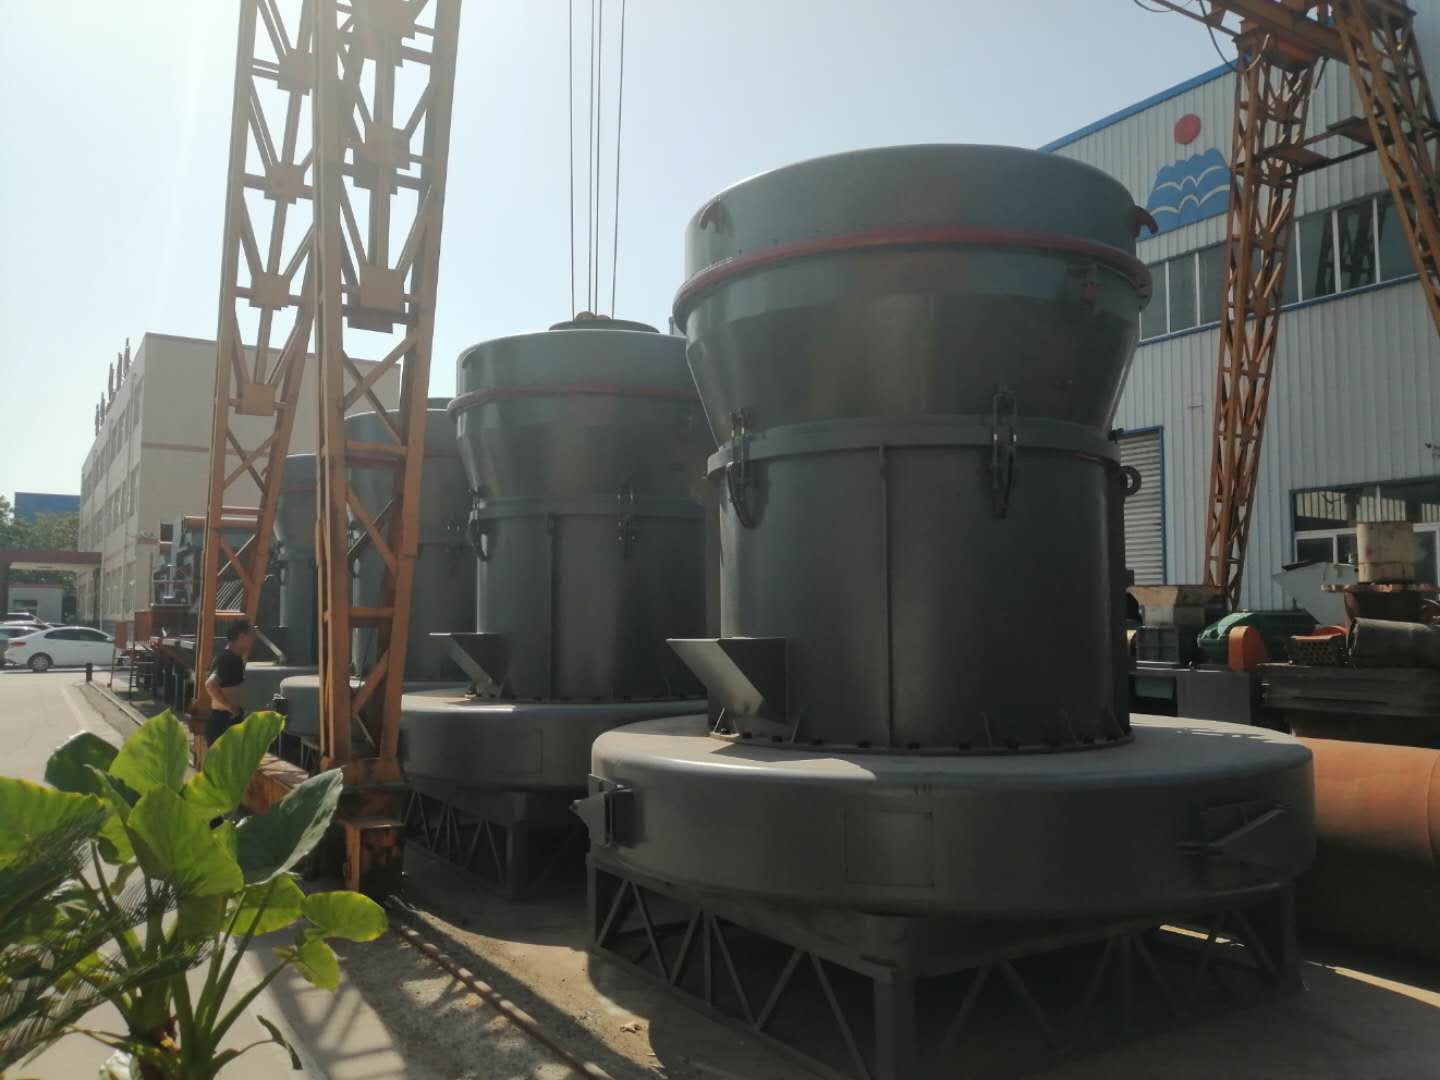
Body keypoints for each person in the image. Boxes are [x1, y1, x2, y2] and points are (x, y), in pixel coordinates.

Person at [204, 618, 255, 745]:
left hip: (230, 721)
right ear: (242, 637)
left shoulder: (236, 657)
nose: (253, 640)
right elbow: (210, 685)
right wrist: (230, 707)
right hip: (222, 723)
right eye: (251, 636)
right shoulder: (226, 658)